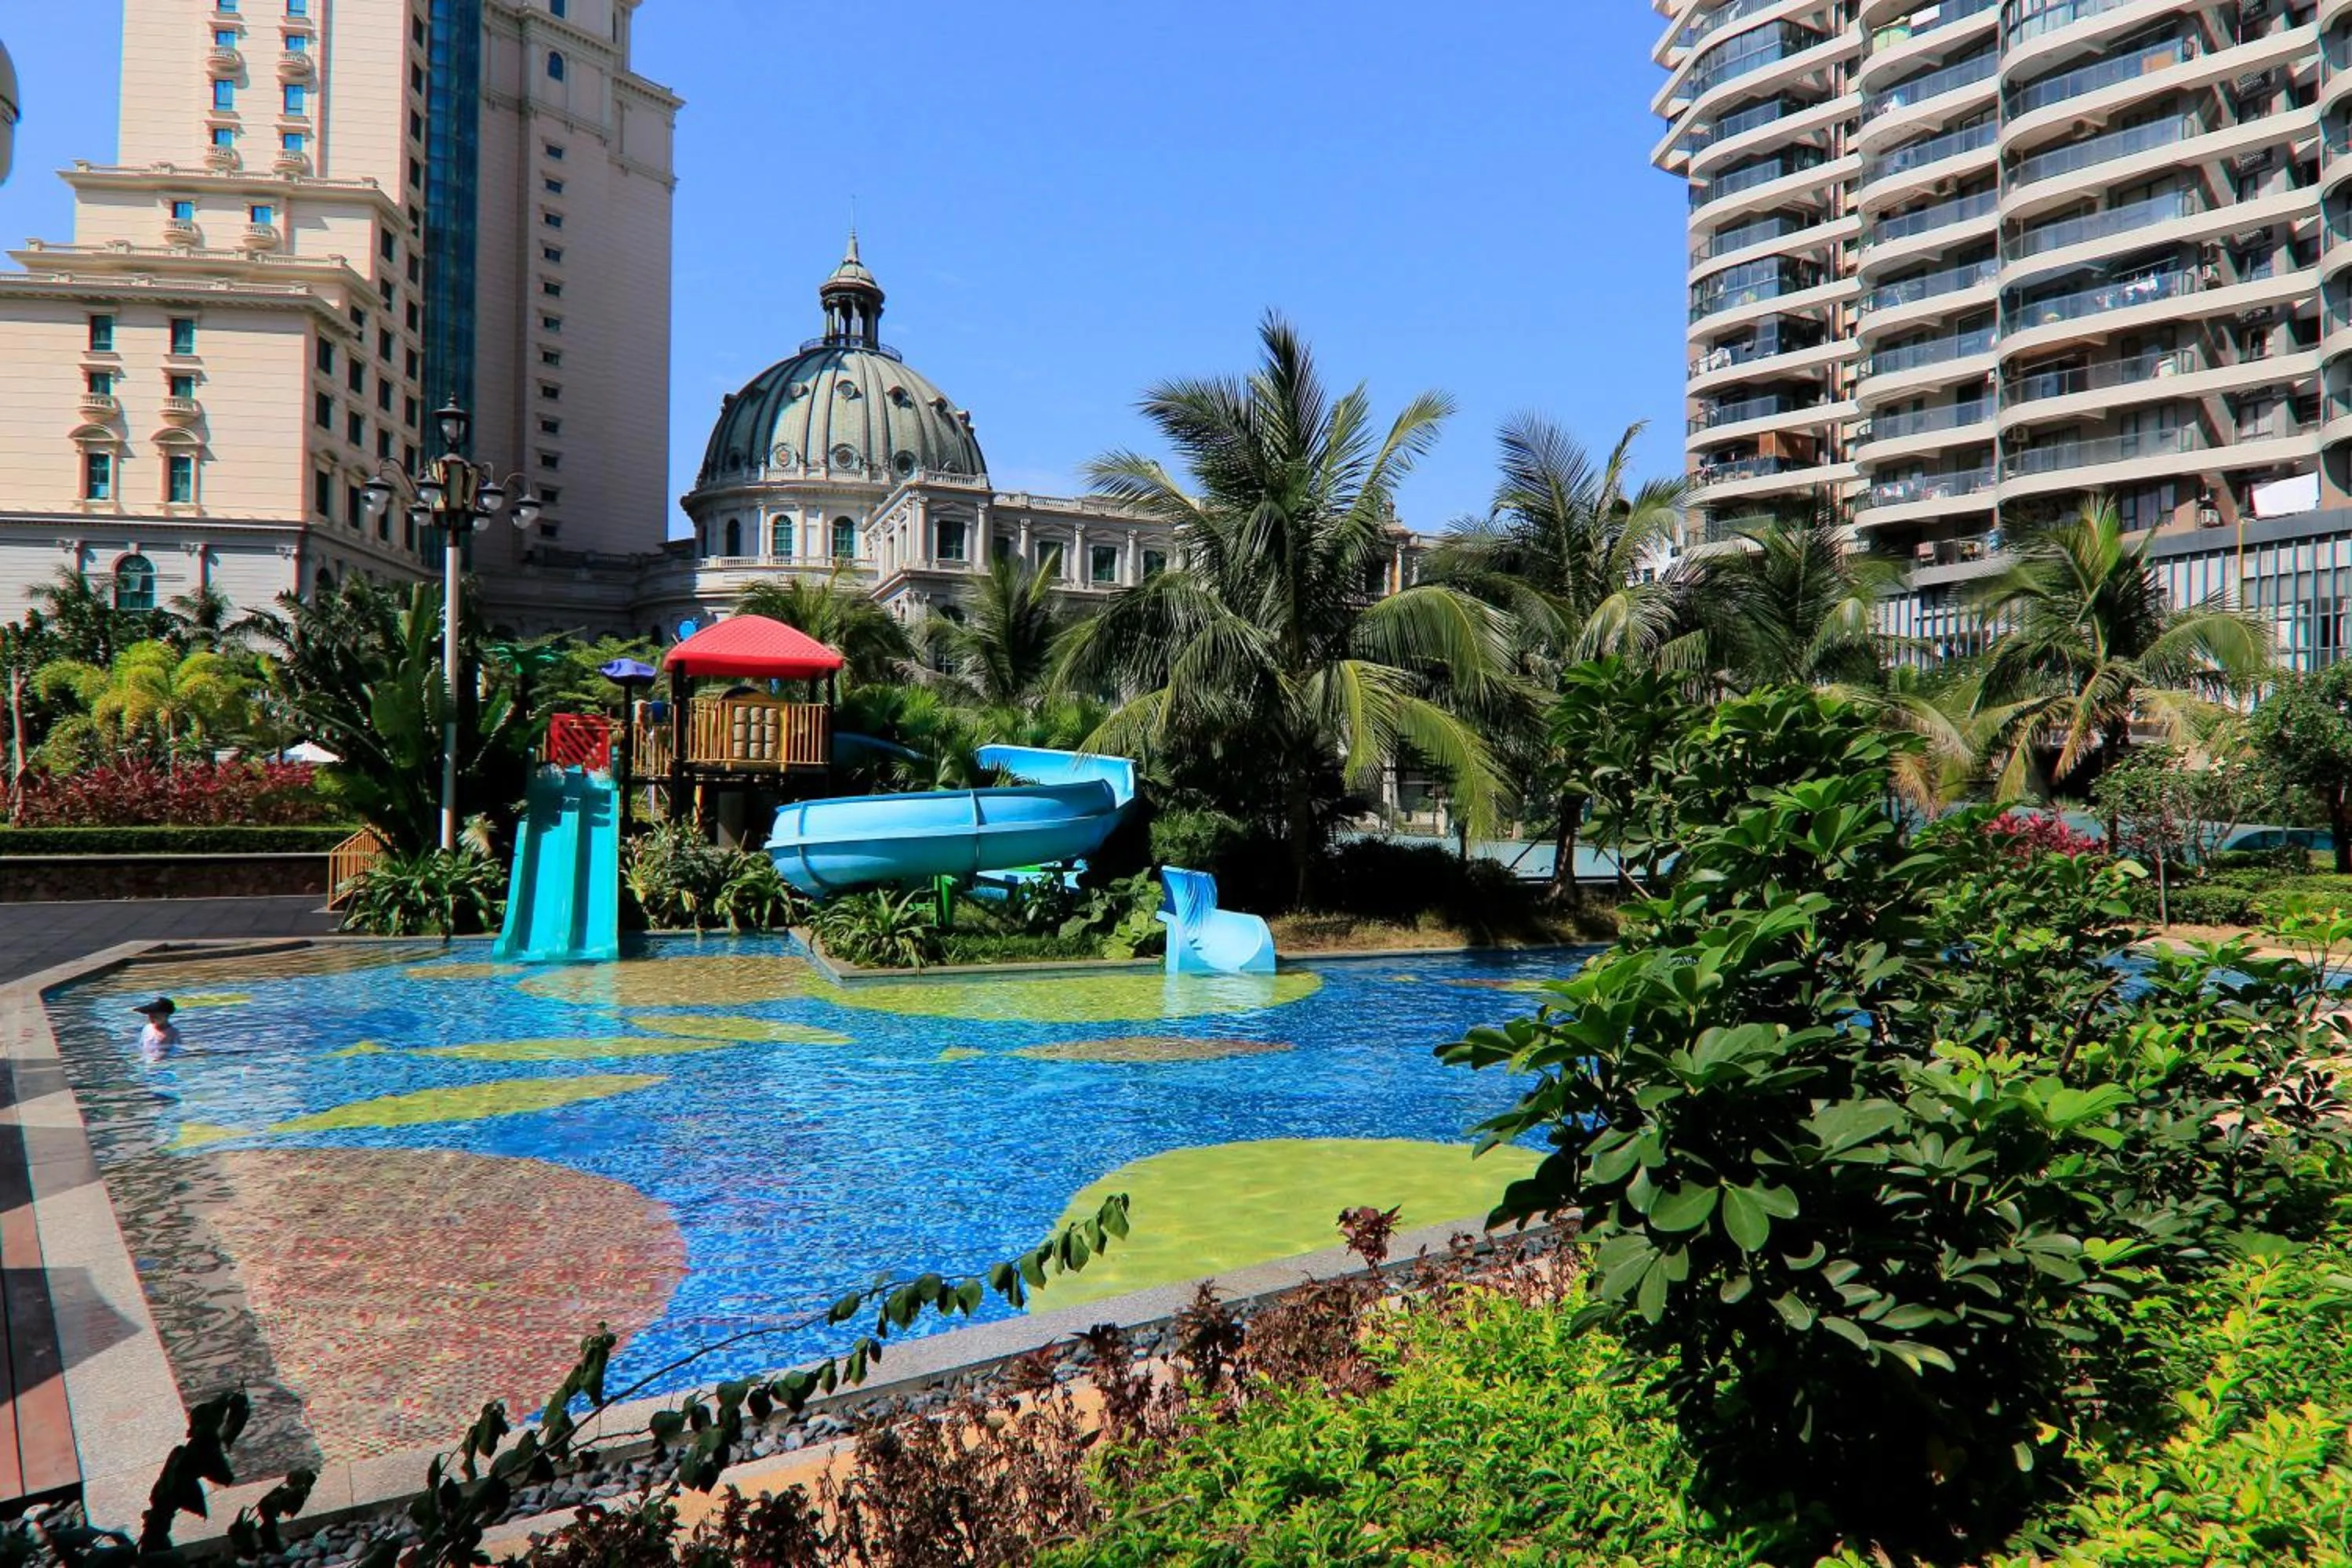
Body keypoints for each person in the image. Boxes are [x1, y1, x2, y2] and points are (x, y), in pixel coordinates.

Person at [132, 996, 181, 1062]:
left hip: (164, 1060)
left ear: (166, 1016)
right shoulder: (148, 1028)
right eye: (150, 1016)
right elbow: (141, 1044)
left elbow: (176, 1048)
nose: (151, 1019)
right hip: (147, 1059)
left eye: (155, 1017)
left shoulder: (172, 1032)